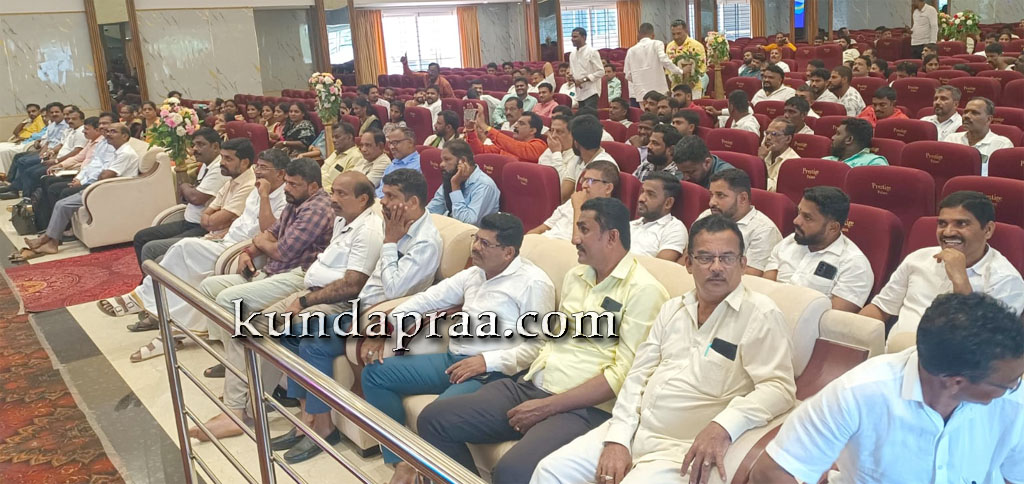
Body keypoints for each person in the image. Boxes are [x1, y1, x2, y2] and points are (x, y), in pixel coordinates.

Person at [418, 197, 670, 484]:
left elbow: (624, 376)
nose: (575, 239)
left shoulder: (644, 291)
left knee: (512, 471)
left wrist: (548, 406)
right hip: (531, 385)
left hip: (582, 408)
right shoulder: (577, 275)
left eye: (584, 230)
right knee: (434, 420)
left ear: (612, 237)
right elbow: (550, 341)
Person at [532, 214, 797, 484]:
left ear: (743, 263)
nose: (717, 267)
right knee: (550, 471)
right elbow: (638, 375)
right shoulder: (673, 309)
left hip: (680, 448)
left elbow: (778, 388)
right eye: (706, 258)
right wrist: (618, 439)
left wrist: (724, 426)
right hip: (634, 429)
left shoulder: (760, 315)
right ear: (689, 263)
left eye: (727, 258)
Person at [751, 292, 1024, 484]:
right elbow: (771, 472)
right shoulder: (858, 393)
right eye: (1009, 385)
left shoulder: (1015, 405)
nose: (1016, 387)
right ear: (955, 381)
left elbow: (1015, 476)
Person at [369, 213, 556, 484]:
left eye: (485, 243)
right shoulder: (475, 273)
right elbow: (427, 299)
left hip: (489, 374)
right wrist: (385, 326)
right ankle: (401, 460)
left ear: (508, 252)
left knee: (437, 417)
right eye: (476, 239)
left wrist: (486, 361)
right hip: (452, 358)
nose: (475, 247)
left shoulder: (533, 283)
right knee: (375, 374)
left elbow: (537, 346)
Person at [188, 158, 336, 442]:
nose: (287, 188)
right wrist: (251, 250)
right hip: (273, 271)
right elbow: (269, 233)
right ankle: (240, 377)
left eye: (293, 184)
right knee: (208, 289)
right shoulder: (296, 201)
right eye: (287, 182)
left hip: (296, 276)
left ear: (313, 186)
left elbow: (283, 251)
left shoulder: (318, 207)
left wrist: (264, 244)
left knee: (232, 306)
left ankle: (238, 404)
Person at [860, 191, 1024, 341]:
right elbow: (880, 309)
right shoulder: (918, 258)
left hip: (953, 362)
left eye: (961, 224)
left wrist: (960, 279)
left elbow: (985, 342)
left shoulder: (1006, 280)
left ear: (988, 230)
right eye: (942, 224)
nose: (948, 232)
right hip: (894, 355)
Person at [18, 123, 139, 261]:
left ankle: (49, 241)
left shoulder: (125, 153)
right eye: (108, 131)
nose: (108, 134)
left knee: (63, 205)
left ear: (124, 136)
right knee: (61, 203)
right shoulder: (115, 151)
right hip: (100, 186)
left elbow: (105, 175)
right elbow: (98, 170)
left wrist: (100, 175)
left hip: (112, 191)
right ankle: (50, 240)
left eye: (113, 132)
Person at [132, 128, 231, 266]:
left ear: (215, 146)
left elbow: (196, 198)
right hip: (188, 221)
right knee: (141, 237)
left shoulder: (219, 169)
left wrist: (184, 186)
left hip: (201, 227)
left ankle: (153, 278)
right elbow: (190, 195)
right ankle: (148, 278)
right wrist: (188, 191)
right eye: (194, 145)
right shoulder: (206, 164)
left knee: (152, 248)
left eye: (201, 144)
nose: (195, 149)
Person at [764, 187, 873, 311]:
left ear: (833, 228)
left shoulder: (854, 265)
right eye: (799, 212)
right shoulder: (789, 242)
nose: (796, 221)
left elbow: (832, 319)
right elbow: (764, 291)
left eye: (807, 218)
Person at [696, 169, 782, 276]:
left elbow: (750, 276)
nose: (711, 202)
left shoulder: (764, 231)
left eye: (720, 195)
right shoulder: (707, 215)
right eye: (711, 195)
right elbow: (689, 254)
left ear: (743, 198)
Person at [530, 160, 619, 241]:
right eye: (584, 180)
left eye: (591, 181)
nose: (584, 185)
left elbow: (579, 241)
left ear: (608, 188)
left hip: (566, 249)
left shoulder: (610, 214)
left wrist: (578, 206)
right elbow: (543, 228)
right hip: (544, 242)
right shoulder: (573, 201)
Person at [426, 139, 500, 225]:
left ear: (463, 161)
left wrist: (455, 187)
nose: (441, 164)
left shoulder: (484, 185)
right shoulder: (452, 177)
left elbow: (467, 223)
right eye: (442, 160)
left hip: (472, 232)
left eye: (447, 159)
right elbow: (432, 210)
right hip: (449, 227)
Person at [941, 97, 1014, 175]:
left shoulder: (1002, 145)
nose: (966, 116)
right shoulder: (951, 139)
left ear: (988, 119)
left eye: (974, 113)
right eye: (965, 112)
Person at [629, 171, 687, 260]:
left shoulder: (674, 228)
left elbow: (661, 266)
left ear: (668, 203)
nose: (641, 198)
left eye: (650, 194)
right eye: (642, 192)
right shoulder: (630, 225)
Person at [560, 114, 617, 199]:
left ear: (576, 143)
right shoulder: (577, 158)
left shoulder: (605, 166)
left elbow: (592, 202)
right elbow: (563, 195)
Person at [624, 23, 683, 103]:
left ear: (639, 34)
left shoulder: (631, 51)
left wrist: (640, 80)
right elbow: (664, 60)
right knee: (661, 109)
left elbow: (628, 75)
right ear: (653, 35)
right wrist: (680, 71)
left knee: (645, 110)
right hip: (659, 91)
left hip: (641, 93)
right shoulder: (657, 43)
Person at [466, 110, 547, 164]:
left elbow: (517, 147)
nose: (515, 126)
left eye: (521, 123)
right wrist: (470, 130)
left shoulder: (539, 145)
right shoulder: (507, 145)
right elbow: (480, 151)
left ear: (532, 131)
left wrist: (485, 127)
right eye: (517, 123)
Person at [376, 127, 421, 198]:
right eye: (390, 143)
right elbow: (381, 188)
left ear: (410, 143)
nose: (391, 147)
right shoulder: (392, 164)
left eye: (395, 143)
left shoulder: (420, 164)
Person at [824, 118, 888, 167]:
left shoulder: (873, 162)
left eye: (838, 134)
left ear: (849, 139)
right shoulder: (826, 160)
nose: (832, 137)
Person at [665, 19, 707, 96]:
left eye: (679, 33)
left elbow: (702, 68)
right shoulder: (669, 46)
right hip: (675, 87)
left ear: (686, 31)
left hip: (694, 88)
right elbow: (668, 70)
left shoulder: (697, 46)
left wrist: (692, 82)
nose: (676, 37)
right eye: (673, 34)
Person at [568, 27, 605, 110]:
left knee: (589, 115)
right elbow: (572, 72)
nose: (572, 39)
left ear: (584, 37)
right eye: (572, 37)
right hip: (579, 92)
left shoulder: (592, 52)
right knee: (581, 116)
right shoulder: (572, 54)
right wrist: (571, 78)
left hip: (591, 91)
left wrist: (583, 80)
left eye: (575, 37)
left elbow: (601, 72)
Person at [319, 122, 363, 189]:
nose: (333, 140)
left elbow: (346, 186)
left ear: (349, 137)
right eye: (333, 137)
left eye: (337, 137)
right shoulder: (335, 152)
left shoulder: (356, 157)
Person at [760, 118, 799, 192]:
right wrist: (760, 159)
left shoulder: (793, 162)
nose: (768, 137)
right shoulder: (764, 153)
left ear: (788, 139)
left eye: (774, 134)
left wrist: (760, 160)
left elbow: (773, 189)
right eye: (767, 133)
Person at [538, 114, 575, 179]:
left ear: (572, 134)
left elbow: (562, 181)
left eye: (559, 131)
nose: (553, 135)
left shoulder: (577, 156)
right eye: (552, 130)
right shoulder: (549, 150)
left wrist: (556, 152)